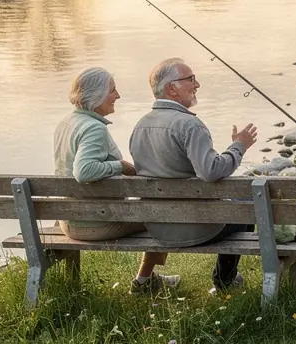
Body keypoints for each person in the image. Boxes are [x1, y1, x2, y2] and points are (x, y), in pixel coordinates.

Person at [130, 58, 257, 293]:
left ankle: (223, 279)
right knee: (246, 208)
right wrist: (238, 147)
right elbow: (210, 171)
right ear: (171, 88)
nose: (197, 85)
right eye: (190, 79)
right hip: (197, 228)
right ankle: (224, 279)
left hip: (157, 227)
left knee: (240, 206)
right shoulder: (190, 126)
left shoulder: (140, 126)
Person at [53, 67, 177, 291]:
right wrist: (119, 166)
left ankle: (146, 279)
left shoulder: (66, 123)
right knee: (164, 215)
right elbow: (84, 171)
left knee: (156, 210)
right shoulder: (93, 128)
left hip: (68, 220)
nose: (118, 96)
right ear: (96, 95)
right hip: (96, 223)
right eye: (113, 90)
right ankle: (144, 282)